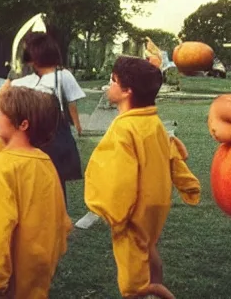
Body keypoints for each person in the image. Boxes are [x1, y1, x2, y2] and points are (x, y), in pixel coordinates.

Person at [84, 56, 178, 299]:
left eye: (113, 81)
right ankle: (154, 289)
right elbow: (170, 154)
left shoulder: (124, 129)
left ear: (127, 91)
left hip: (131, 214)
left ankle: (151, 291)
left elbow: (119, 179)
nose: (109, 86)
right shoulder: (152, 121)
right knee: (150, 253)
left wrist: (114, 214)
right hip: (154, 208)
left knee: (133, 282)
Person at [0, 86, 72, 298]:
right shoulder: (45, 163)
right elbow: (61, 222)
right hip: (36, 280)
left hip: (3, 287)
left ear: (23, 124)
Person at [10, 33, 85, 206]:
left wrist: (77, 125)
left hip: (55, 135)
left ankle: (57, 222)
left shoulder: (62, 75)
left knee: (55, 180)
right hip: (33, 134)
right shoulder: (28, 79)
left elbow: (71, 103)